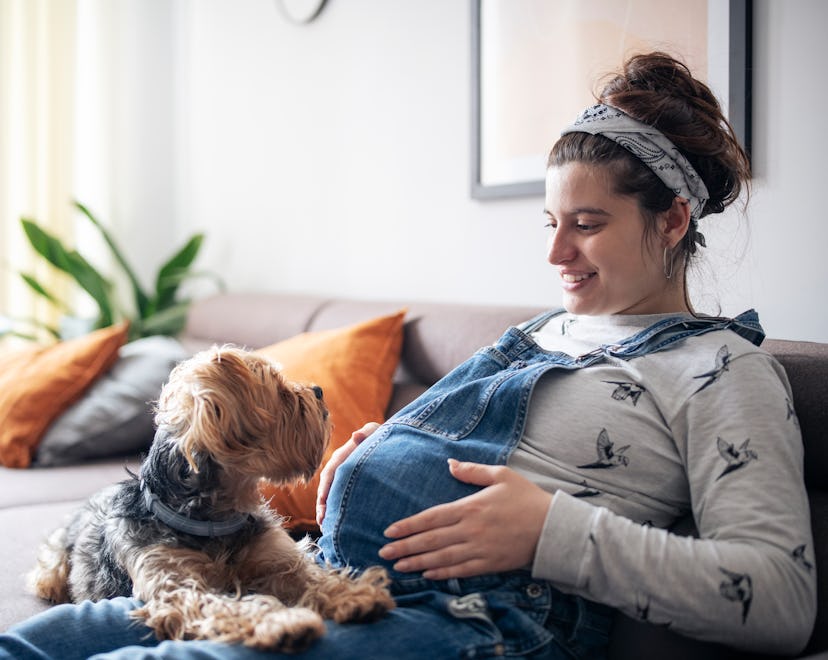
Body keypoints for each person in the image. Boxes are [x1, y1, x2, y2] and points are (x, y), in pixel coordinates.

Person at [0, 52, 815, 659]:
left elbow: (781, 600)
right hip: (315, 579)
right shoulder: (537, 337)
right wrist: (367, 457)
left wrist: (551, 531)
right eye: (550, 224)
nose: (557, 252)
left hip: (470, 620)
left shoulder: (722, 370)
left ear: (672, 221)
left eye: (588, 225)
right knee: (35, 645)